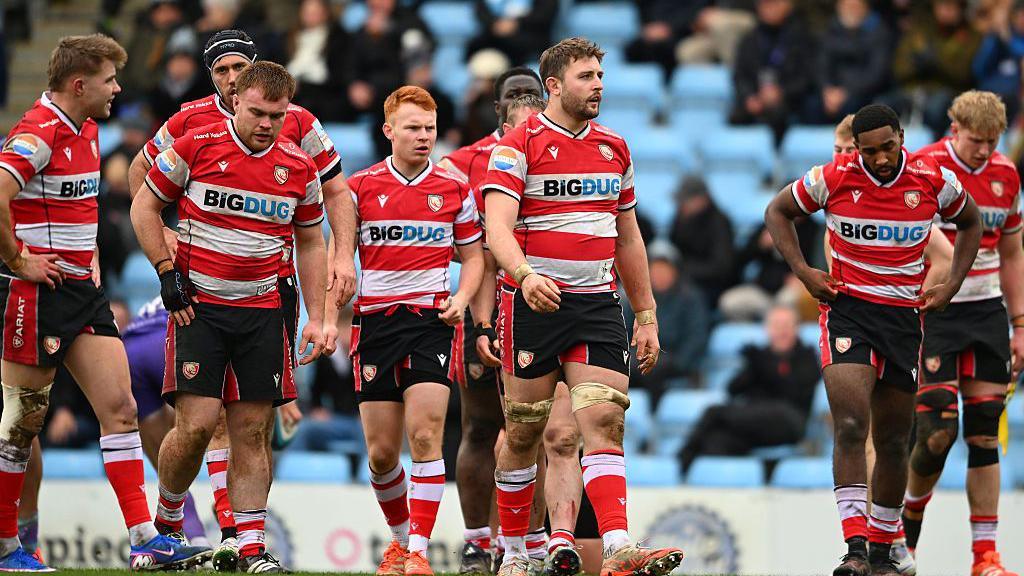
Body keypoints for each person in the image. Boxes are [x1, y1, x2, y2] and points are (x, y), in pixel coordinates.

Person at [126, 30, 357, 568]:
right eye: (224, 73)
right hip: (199, 304)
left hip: (265, 304)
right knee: (199, 425)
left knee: (252, 426)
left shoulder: (300, 152)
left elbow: (315, 228)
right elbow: (143, 194)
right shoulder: (191, 133)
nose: (268, 123)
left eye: (276, 115)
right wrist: (166, 263)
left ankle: (247, 542)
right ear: (223, 88)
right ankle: (167, 524)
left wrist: (322, 310)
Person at [0, 33, 210, 571]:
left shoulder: (89, 130)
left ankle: (145, 540)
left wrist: (88, 255)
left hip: (82, 292)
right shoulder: (37, 133)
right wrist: (21, 260)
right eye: (109, 80)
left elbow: (80, 208)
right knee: (22, 425)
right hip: (35, 293)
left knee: (121, 410)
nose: (117, 87)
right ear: (78, 84)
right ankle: (7, 547)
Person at [482, 37, 684, 576]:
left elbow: (629, 237)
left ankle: (618, 544)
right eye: (586, 76)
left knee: (605, 421)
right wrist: (523, 276)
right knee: (523, 432)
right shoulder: (516, 147)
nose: (598, 85)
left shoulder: (615, 147)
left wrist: (645, 315)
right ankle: (516, 553)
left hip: (596, 302)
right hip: (534, 307)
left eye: (600, 75)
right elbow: (496, 227)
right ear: (553, 85)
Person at [764, 103, 982, 576]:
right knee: (848, 426)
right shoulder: (834, 176)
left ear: (901, 137)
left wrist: (953, 284)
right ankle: (855, 548)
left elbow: (972, 222)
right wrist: (805, 272)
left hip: (903, 318)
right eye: (869, 151)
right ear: (856, 149)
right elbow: (777, 212)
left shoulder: (931, 180)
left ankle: (884, 551)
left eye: (887, 147)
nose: (880, 159)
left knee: (892, 437)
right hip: (848, 312)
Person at [337, 85, 484, 576]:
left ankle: (418, 551)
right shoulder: (358, 188)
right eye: (413, 128)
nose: (424, 137)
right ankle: (400, 541)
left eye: (430, 129)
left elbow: (474, 257)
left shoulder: (453, 188)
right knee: (381, 453)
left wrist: (462, 299)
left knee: (426, 435)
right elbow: (337, 254)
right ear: (389, 131)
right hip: (375, 323)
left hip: (429, 321)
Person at [903, 90, 1023, 576]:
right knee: (935, 435)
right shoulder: (923, 166)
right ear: (955, 129)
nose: (984, 150)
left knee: (984, 435)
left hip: (988, 313)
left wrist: (1019, 325)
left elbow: (1012, 253)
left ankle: (985, 557)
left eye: (992, 141)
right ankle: (903, 539)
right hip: (936, 312)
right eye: (976, 140)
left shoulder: (1006, 174)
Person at [435, 68, 545, 574]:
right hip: (486, 308)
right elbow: (468, 250)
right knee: (481, 426)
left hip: (546, 306)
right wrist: (479, 325)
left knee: (536, 430)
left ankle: (528, 544)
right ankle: (479, 543)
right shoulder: (462, 165)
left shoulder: (561, 152)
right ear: (497, 107)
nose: (523, 102)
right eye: (513, 95)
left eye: (532, 94)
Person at [679, 305, 817, 471]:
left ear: (796, 329)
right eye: (776, 326)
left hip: (789, 420)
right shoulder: (759, 356)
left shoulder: (806, 357)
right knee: (717, 441)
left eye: (786, 326)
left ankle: (681, 458)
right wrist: (752, 367)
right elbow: (732, 389)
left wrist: (763, 365)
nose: (782, 331)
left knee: (715, 412)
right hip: (755, 423)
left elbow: (793, 390)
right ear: (767, 330)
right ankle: (722, 484)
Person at [123, 298, 211, 548]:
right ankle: (228, 516)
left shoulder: (166, 290)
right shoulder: (212, 279)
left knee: (168, 465)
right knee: (220, 430)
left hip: (130, 349)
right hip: (172, 340)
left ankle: (195, 537)